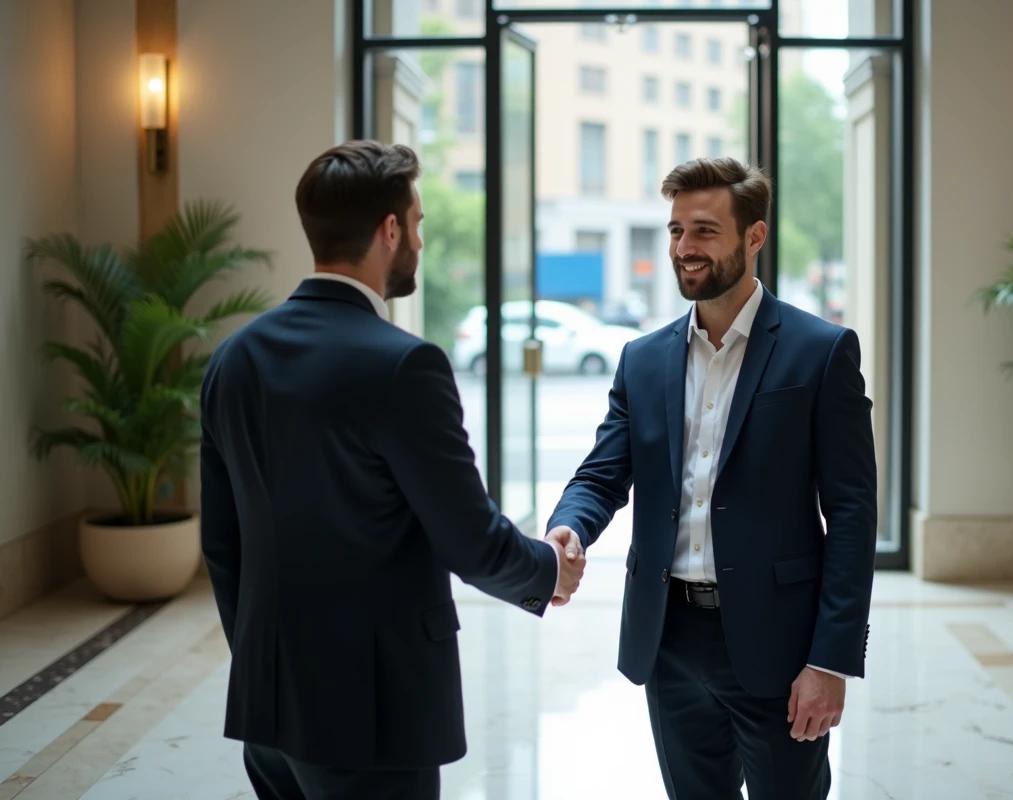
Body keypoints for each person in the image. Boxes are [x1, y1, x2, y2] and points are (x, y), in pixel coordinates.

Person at [200, 140, 586, 800]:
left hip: (266, 706)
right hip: (370, 715)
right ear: (389, 231)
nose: (419, 239)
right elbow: (470, 539)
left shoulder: (234, 358)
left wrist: (263, 663)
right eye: (418, 223)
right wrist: (549, 568)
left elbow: (222, 545)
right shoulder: (404, 365)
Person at [545, 158, 876, 800]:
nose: (683, 249)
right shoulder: (641, 360)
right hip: (668, 640)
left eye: (703, 231)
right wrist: (569, 526)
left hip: (779, 645)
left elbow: (854, 513)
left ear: (754, 236)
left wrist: (830, 659)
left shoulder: (822, 351)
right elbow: (603, 473)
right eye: (675, 231)